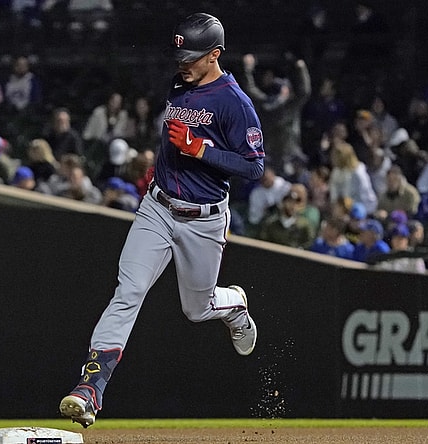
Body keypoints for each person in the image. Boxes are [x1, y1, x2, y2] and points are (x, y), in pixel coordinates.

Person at [59, 12, 264, 428]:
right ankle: (91, 388)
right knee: (128, 291)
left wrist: (202, 150)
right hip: (157, 208)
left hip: (203, 220)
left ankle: (233, 303)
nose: (182, 63)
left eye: (191, 56)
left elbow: (254, 166)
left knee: (197, 309)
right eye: (179, 55)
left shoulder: (234, 103)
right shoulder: (180, 82)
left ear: (215, 55)